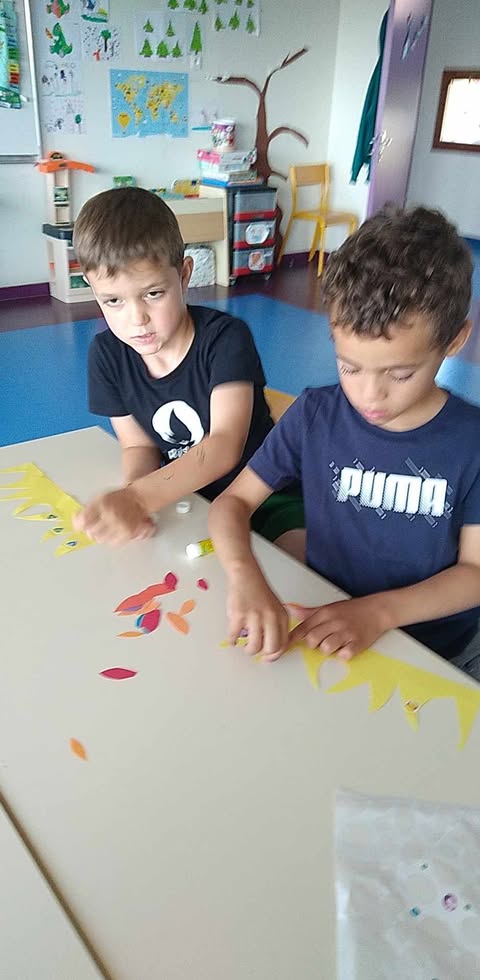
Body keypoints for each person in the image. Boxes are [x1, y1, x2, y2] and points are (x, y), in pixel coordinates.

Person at [209, 207, 480, 680]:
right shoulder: (315, 415)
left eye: (400, 374)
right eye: (349, 367)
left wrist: (378, 612)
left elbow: (474, 573)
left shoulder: (471, 442)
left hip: (434, 649)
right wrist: (245, 576)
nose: (369, 395)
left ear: (455, 341)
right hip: (328, 618)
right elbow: (231, 503)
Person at [71, 186, 302, 547]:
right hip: (187, 497)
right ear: (92, 288)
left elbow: (224, 445)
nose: (137, 319)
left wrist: (139, 498)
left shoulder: (225, 339)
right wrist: (134, 496)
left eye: (153, 294)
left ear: (183, 276)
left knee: (296, 567)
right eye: (113, 300)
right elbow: (138, 447)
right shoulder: (106, 356)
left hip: (263, 492)